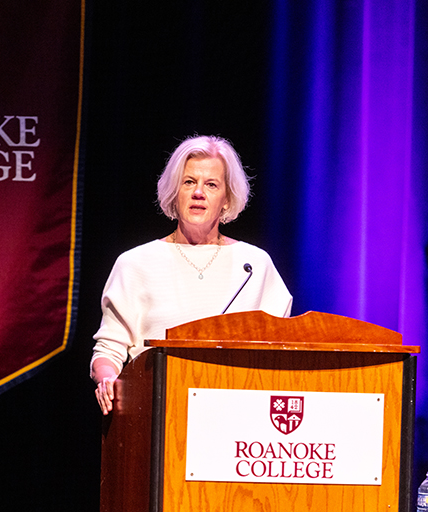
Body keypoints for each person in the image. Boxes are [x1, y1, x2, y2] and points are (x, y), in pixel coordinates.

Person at [90, 135, 292, 415]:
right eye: (189, 182)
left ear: (226, 199)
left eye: (211, 184)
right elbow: (109, 350)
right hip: (157, 411)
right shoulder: (135, 263)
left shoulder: (255, 265)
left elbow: (278, 351)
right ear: (175, 193)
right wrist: (107, 378)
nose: (199, 193)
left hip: (239, 415)